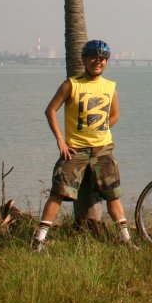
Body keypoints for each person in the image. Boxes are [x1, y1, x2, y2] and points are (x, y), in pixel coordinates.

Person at [32, 39, 134, 251]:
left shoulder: (110, 87)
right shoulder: (72, 84)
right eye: (94, 58)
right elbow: (50, 110)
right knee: (59, 191)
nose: (98, 62)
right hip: (75, 149)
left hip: (103, 149)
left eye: (102, 59)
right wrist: (60, 140)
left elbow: (114, 115)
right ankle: (39, 239)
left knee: (112, 193)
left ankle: (126, 240)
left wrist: (101, 130)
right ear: (84, 60)